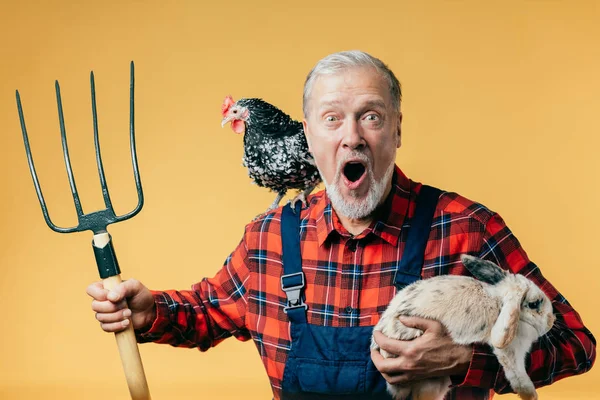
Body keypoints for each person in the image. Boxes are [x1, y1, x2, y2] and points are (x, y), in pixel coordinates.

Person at [87, 50, 596, 400]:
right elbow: (206, 310)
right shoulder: (270, 238)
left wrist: (465, 360)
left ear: (397, 128)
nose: (352, 137)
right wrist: (151, 310)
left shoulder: (466, 229)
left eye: (370, 116)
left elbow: (574, 343)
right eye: (332, 119)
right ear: (307, 136)